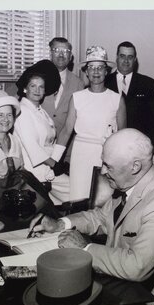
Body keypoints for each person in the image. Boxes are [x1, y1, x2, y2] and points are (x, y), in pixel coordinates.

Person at [29, 128, 154, 296]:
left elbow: (137, 266)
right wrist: (60, 223)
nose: (103, 171)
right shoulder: (132, 181)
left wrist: (85, 248)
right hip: (127, 284)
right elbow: (100, 217)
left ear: (135, 167)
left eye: (108, 166)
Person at [56, 45, 126, 201]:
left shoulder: (117, 99)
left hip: (106, 156)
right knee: (79, 198)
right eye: (91, 68)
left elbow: (122, 136)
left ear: (106, 71)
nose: (95, 72)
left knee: (102, 200)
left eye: (100, 68)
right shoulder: (77, 97)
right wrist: (54, 160)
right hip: (81, 154)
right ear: (86, 71)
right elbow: (67, 131)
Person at [14, 60, 70, 205]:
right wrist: (55, 165)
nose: (37, 90)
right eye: (33, 86)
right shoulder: (23, 111)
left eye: (41, 87)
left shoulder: (40, 111)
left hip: (47, 169)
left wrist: (57, 163)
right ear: (25, 89)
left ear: (45, 91)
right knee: (75, 192)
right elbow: (32, 147)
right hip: (35, 172)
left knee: (77, 192)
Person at [105, 41, 154, 148]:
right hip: (109, 142)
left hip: (137, 145)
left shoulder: (147, 83)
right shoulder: (105, 81)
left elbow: (153, 121)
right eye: (122, 56)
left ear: (135, 60)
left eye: (130, 57)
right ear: (116, 58)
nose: (126, 61)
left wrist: (151, 147)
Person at [42, 37, 85, 163]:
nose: (61, 55)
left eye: (65, 51)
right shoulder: (37, 78)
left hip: (66, 152)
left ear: (70, 56)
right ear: (50, 53)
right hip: (39, 148)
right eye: (56, 50)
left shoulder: (79, 83)